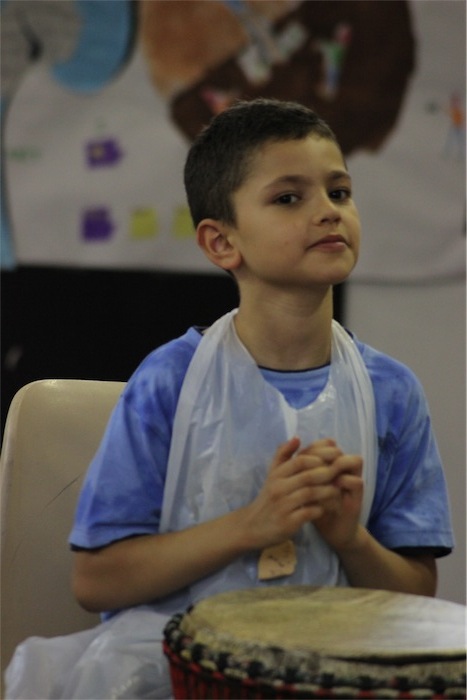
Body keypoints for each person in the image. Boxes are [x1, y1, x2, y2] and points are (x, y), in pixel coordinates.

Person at [5, 98, 454, 699]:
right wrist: (252, 525)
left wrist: (349, 538)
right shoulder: (170, 381)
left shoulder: (392, 392)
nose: (328, 211)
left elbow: (415, 596)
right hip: (170, 671)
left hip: (326, 675)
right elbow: (96, 581)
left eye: (340, 192)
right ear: (221, 242)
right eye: (289, 198)